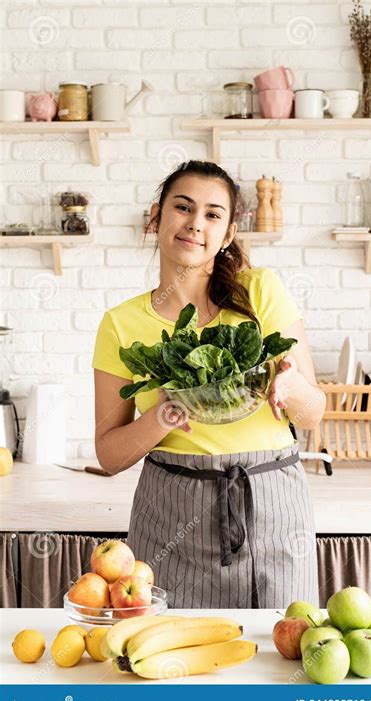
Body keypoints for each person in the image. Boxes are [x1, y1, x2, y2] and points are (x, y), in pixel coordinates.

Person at [92, 160, 325, 609]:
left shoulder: (260, 292)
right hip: (170, 508)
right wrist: (160, 417)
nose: (196, 223)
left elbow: (313, 412)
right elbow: (108, 454)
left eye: (213, 214)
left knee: (279, 657)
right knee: (168, 660)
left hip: (269, 502)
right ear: (155, 216)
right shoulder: (119, 324)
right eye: (183, 207)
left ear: (228, 233)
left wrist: (291, 388)